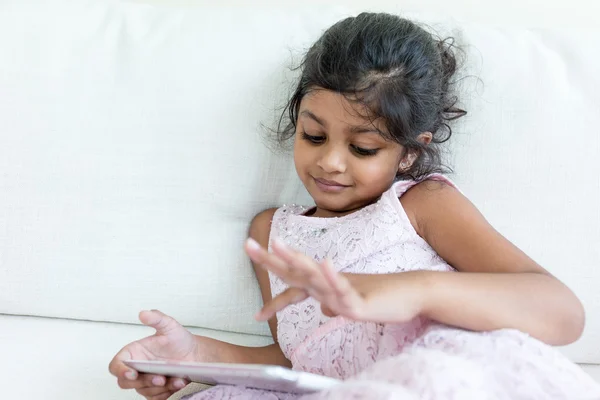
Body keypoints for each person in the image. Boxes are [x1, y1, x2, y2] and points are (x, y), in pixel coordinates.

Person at [109, 12, 600, 400]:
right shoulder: (271, 234)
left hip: (441, 374)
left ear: (409, 151)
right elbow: (293, 361)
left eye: (363, 148)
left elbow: (562, 314)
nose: (331, 162)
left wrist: (411, 291)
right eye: (313, 135)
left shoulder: (421, 204)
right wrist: (191, 354)